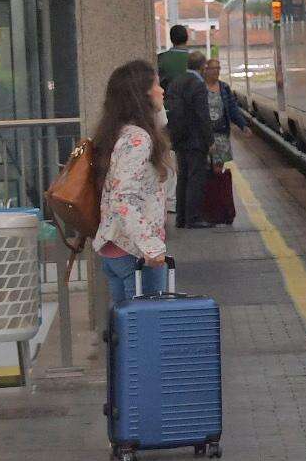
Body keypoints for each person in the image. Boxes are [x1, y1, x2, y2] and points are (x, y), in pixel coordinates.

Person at [90, 60, 173, 312]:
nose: (162, 91)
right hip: (135, 254)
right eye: (157, 85)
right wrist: (151, 246)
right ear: (143, 94)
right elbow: (123, 199)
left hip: (116, 251)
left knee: (125, 338)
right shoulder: (138, 139)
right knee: (144, 337)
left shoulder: (118, 133)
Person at [197, 56, 249, 227]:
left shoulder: (224, 88)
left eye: (218, 68)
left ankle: (220, 210)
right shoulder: (200, 89)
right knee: (205, 172)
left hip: (221, 136)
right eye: (213, 68)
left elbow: (232, 109)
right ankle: (208, 210)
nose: (217, 71)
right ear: (205, 70)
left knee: (218, 172)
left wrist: (243, 125)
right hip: (204, 137)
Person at [165, 53, 214, 230]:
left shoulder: (176, 82)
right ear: (202, 67)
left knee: (183, 178)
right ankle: (193, 218)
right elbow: (203, 115)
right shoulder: (198, 84)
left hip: (179, 138)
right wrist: (210, 140)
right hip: (195, 140)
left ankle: (181, 218)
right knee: (195, 178)